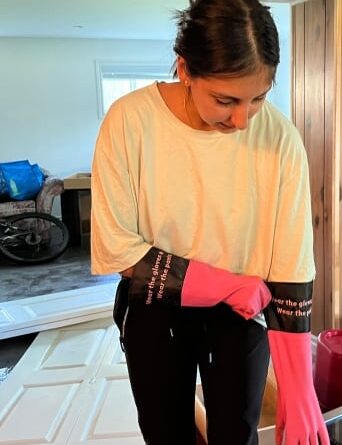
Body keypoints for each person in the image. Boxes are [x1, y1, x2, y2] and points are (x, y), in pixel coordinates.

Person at [90, 0, 329, 444]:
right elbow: (118, 250)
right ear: (184, 69)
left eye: (258, 97)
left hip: (242, 315)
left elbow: (292, 270)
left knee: (236, 434)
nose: (242, 120)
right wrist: (227, 284)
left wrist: (300, 391)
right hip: (154, 306)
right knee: (166, 433)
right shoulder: (130, 122)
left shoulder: (280, 139)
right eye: (225, 100)